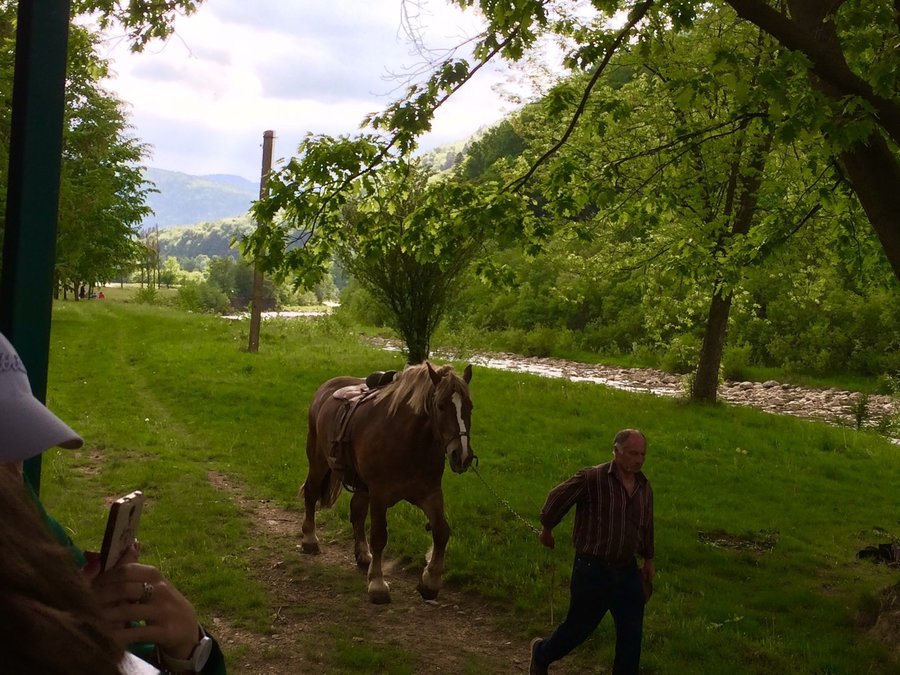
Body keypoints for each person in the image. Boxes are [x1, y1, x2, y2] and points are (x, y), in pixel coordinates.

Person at [0, 331, 225, 674]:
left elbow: (129, 640)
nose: (14, 473)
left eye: (17, 453)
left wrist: (189, 650)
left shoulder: (20, 510)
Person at [529, 428, 654, 675]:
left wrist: (648, 558)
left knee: (631, 635)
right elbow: (558, 497)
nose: (638, 459)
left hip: (627, 570)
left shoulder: (644, 487)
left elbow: (647, 524)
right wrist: (547, 528)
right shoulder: (593, 478)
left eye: (642, 454)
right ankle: (542, 654)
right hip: (593, 569)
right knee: (578, 629)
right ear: (617, 452)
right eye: (632, 453)